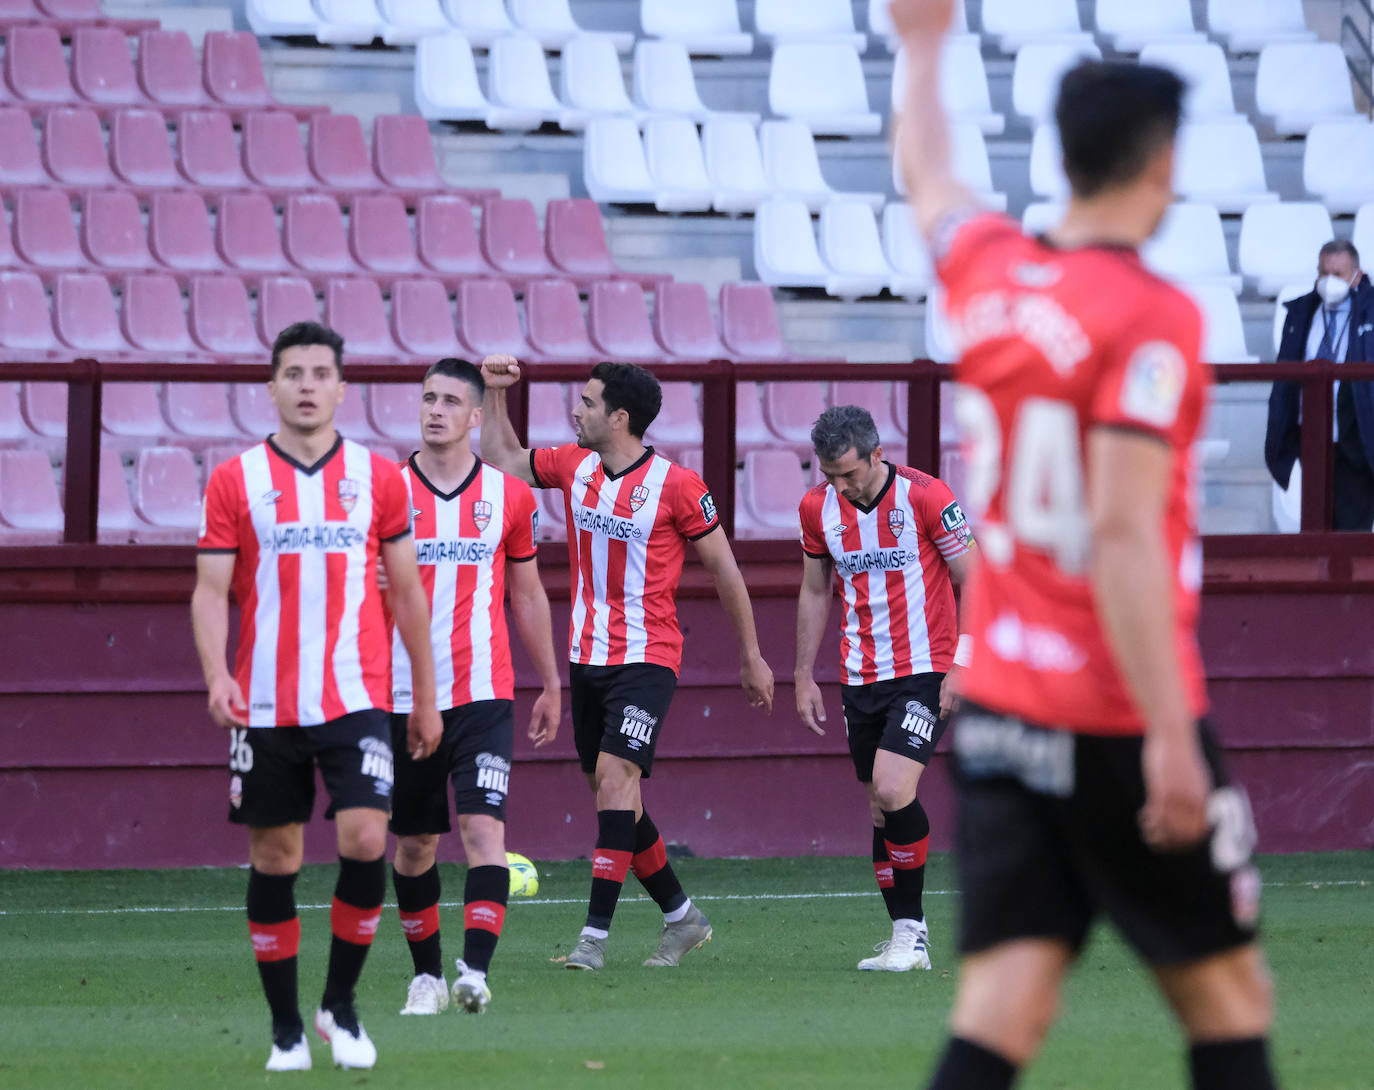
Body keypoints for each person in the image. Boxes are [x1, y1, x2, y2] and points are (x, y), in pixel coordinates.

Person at [890, 2, 1279, 1088]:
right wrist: (1168, 733)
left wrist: (923, 46)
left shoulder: (989, 272)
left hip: (1007, 703)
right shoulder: (1151, 315)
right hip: (1112, 704)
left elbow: (929, 176)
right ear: (1162, 165)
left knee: (1005, 1001)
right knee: (1226, 994)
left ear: (1061, 155)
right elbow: (1120, 535)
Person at [190, 321, 441, 1072]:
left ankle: (341, 1005)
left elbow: (405, 592)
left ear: (341, 387)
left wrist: (423, 698)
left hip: (355, 697)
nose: (306, 385)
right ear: (272, 387)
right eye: (292, 372)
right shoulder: (235, 480)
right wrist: (215, 674)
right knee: (276, 856)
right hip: (262, 702)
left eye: (319, 372)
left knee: (367, 838)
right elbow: (207, 591)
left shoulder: (380, 478)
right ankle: (286, 1030)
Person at [479, 356, 774, 971]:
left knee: (615, 781)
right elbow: (503, 461)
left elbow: (724, 569)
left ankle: (593, 941)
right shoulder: (573, 463)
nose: (575, 410)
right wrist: (494, 393)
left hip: (649, 655)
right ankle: (682, 918)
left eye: (586, 403)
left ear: (619, 418)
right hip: (586, 654)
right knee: (617, 799)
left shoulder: (678, 486)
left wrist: (751, 655)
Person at [385, 358, 562, 1017]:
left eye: (449, 400)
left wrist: (549, 680)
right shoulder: (386, 492)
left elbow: (526, 591)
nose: (435, 410)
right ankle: (425, 976)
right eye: (427, 398)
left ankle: (474, 973)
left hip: (485, 692)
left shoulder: (509, 497)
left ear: (474, 416)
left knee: (485, 832)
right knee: (414, 845)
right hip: (402, 696)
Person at [794, 405, 975, 973]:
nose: (840, 486)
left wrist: (963, 663)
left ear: (877, 454)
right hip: (859, 674)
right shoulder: (817, 508)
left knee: (895, 789)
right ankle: (902, 935)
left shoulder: (927, 497)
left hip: (924, 667)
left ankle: (913, 935)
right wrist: (802, 673)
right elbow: (815, 591)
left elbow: (979, 579)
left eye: (849, 473)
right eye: (830, 476)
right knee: (878, 806)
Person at [1265, 239, 1374, 531]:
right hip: (1311, 440)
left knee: (1351, 538)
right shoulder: (1300, 313)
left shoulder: (1370, 314)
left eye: (1338, 274)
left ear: (1357, 275)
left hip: (1356, 441)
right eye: (1324, 273)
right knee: (1314, 531)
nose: (1329, 281)